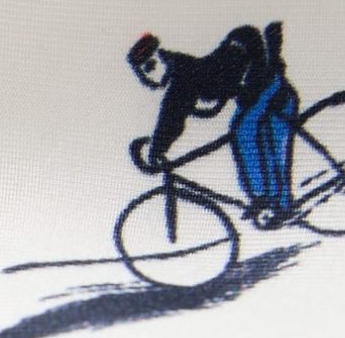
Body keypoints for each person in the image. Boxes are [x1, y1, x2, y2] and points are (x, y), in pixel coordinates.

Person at [127, 24, 299, 223]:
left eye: (150, 67)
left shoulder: (182, 75)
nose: (150, 76)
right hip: (260, 87)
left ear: (157, 57)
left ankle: (274, 202)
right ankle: (271, 201)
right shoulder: (181, 70)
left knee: (246, 133)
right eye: (145, 72)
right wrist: (157, 148)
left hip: (269, 87)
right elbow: (173, 116)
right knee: (247, 133)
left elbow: (171, 116)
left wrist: (156, 151)